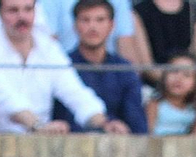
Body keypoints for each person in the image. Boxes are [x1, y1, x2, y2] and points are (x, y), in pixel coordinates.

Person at [0, 0, 122, 132]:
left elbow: (74, 91)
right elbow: (3, 98)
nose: (22, 17)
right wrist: (38, 126)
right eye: (13, 10)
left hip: (43, 140)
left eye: (28, 9)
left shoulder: (49, 47)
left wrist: (104, 123)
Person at [59, 0, 147, 131]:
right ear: (75, 25)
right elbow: (59, 119)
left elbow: (136, 122)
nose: (92, 27)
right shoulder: (62, 66)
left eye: (100, 20)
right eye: (85, 20)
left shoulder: (124, 69)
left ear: (112, 25)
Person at [131, 0, 196, 74]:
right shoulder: (139, 11)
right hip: (155, 81)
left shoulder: (194, 10)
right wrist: (171, 80)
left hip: (189, 80)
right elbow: (147, 66)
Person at [145, 52, 196, 132]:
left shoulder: (194, 109)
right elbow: (147, 134)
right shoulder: (155, 105)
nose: (179, 78)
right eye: (174, 71)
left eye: (187, 75)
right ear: (164, 76)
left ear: (195, 84)